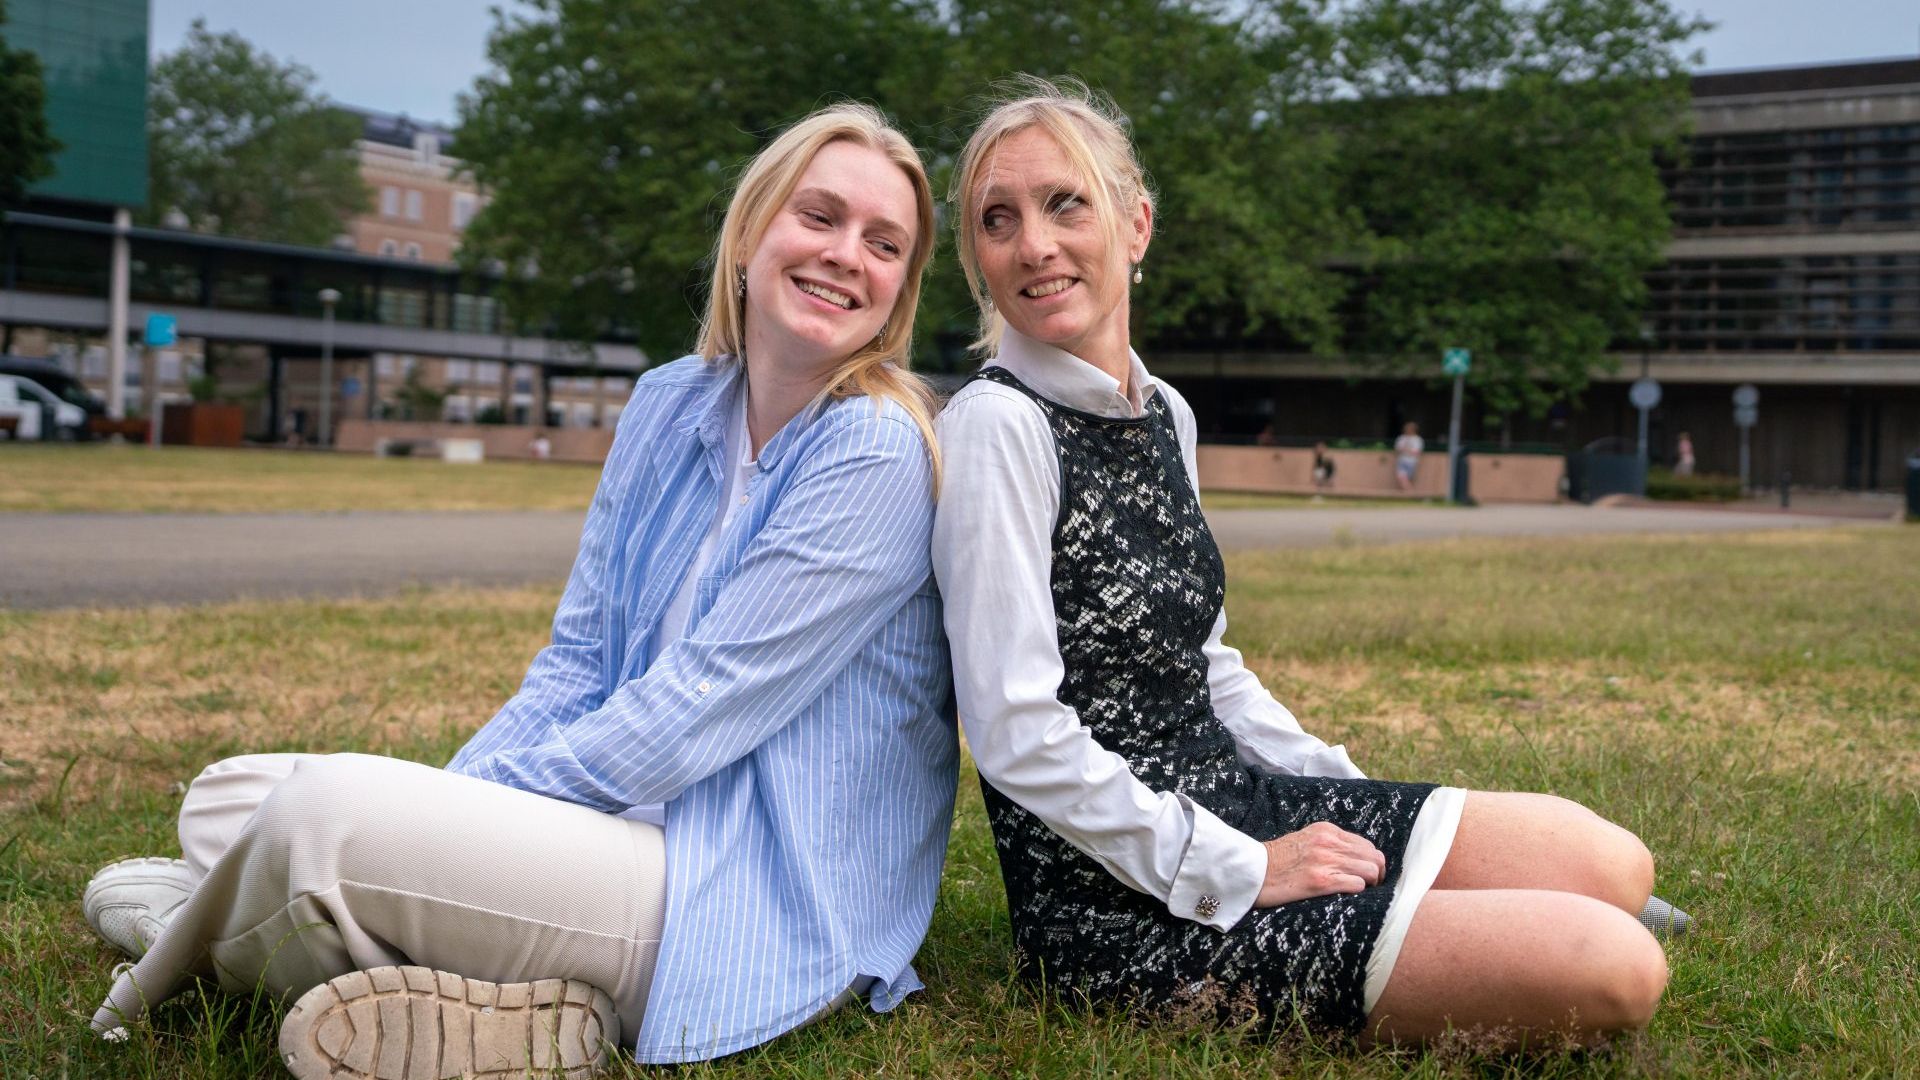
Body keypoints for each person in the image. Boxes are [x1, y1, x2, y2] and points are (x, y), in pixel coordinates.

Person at [82, 103, 958, 1077]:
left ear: (898, 290)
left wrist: (447, 814)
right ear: (751, 233)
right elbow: (578, 660)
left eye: (885, 244)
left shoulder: (875, 449)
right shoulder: (672, 403)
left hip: (740, 890)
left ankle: (216, 929)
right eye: (821, 217)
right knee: (226, 794)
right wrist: (454, 813)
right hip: (615, 830)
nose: (847, 254)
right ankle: (504, 1006)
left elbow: (690, 715)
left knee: (321, 815)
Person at [932, 78, 1669, 1048]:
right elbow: (1017, 732)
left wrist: (1347, 792)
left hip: (1243, 794)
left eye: (1065, 202)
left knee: (1615, 863)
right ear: (980, 260)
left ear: (1137, 223)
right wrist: (1239, 868)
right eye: (998, 219)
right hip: (1121, 898)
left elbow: (1207, 666)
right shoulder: (996, 426)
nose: (1034, 243)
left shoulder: (1166, 413)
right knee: (1615, 970)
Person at [1393, 421, 1423, 493]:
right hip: (1402, 460)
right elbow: (1398, 449)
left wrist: (1406, 450)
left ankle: (1409, 493)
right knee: (1401, 476)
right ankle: (1411, 493)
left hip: (1411, 462)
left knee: (1407, 478)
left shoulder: (1417, 440)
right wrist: (1407, 450)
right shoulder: (1401, 438)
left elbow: (1416, 452)